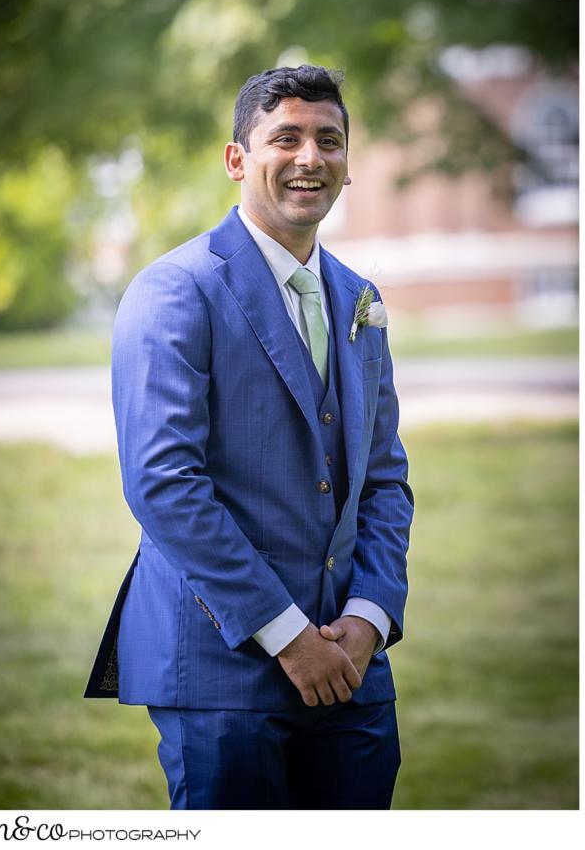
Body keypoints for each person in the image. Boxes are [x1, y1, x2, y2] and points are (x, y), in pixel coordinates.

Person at [85, 64, 414, 810]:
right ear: (237, 159)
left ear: (347, 164)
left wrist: (367, 617)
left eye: (328, 141)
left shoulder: (360, 299)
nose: (310, 158)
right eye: (285, 138)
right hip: (220, 667)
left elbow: (384, 479)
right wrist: (288, 636)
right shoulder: (175, 290)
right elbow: (164, 484)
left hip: (351, 665)